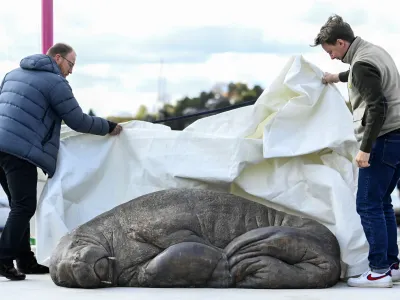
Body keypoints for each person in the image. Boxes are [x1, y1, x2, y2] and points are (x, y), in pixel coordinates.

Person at [0, 43, 123, 281]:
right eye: (71, 64)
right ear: (58, 58)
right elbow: (77, 120)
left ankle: (25, 260)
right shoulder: (55, 83)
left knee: (18, 205)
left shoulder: (12, 74)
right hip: (18, 150)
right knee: (24, 206)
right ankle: (4, 259)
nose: (71, 71)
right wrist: (108, 127)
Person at [313, 14, 400, 288]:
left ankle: (378, 271)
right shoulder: (372, 52)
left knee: (367, 204)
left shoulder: (362, 64)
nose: (331, 57)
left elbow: (377, 107)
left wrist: (365, 149)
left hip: (383, 140)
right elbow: (361, 76)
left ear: (341, 42)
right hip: (396, 139)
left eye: (330, 51)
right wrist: (335, 77)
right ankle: (392, 265)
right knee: (382, 202)